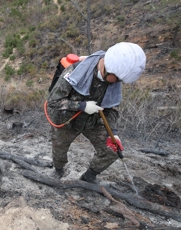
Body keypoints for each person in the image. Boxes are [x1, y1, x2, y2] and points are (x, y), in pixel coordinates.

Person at [46, 42, 146, 182]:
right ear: (107, 69)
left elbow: (112, 109)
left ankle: (88, 177)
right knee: (59, 152)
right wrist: (82, 106)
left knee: (113, 151)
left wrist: (114, 133)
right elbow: (53, 102)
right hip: (66, 120)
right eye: (117, 79)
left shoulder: (114, 79)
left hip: (92, 122)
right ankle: (58, 170)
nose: (118, 83)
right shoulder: (75, 71)